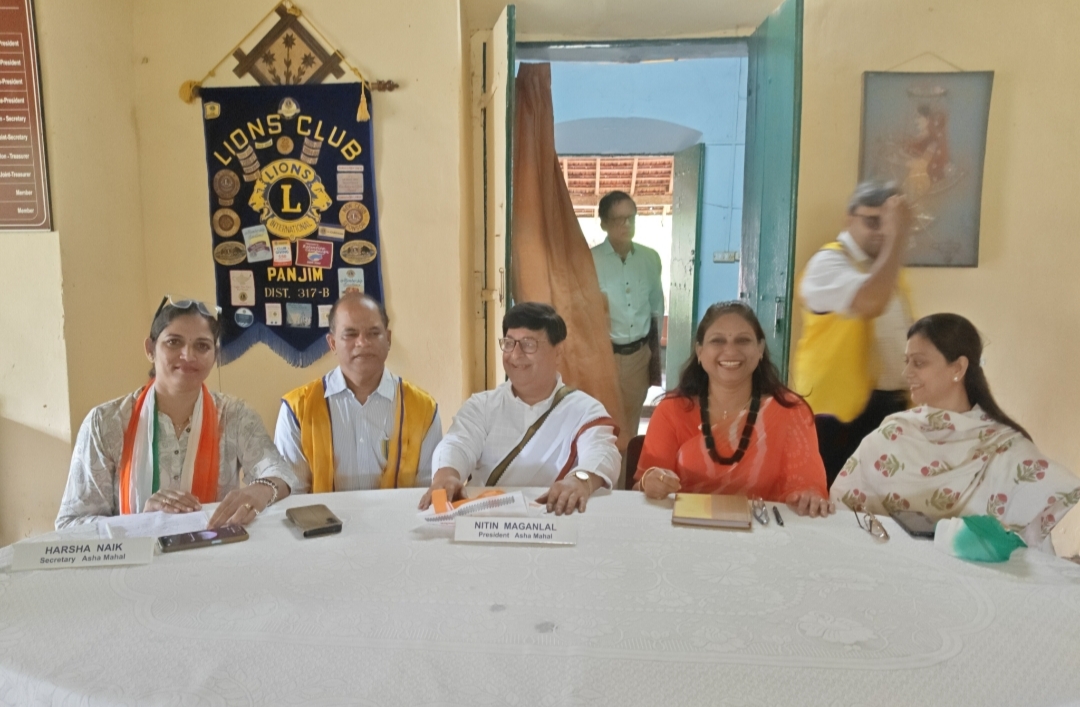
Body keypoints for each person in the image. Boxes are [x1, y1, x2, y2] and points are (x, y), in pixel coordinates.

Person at [831, 314, 1079, 551]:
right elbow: (843, 507)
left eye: (919, 363)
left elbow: (1026, 544)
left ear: (958, 368)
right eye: (906, 362)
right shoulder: (892, 433)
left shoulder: (1004, 449)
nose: (907, 374)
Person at [56, 297, 296, 530]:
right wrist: (141, 521)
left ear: (215, 356)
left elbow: (280, 474)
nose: (188, 356)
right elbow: (70, 524)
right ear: (150, 349)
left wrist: (262, 488)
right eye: (174, 342)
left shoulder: (236, 415)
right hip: (136, 565)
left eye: (202, 346)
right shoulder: (105, 422)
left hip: (215, 558)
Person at [418, 302, 619, 515]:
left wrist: (580, 481)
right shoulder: (482, 406)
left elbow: (602, 452)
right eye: (509, 343)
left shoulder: (584, 411)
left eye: (528, 344)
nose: (515, 355)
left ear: (558, 352)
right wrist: (447, 475)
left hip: (554, 519)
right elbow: (457, 443)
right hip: (486, 522)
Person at [635, 301, 833, 517]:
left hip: (765, 534)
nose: (730, 350)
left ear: (760, 349)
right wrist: (651, 482)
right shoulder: (671, 411)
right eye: (717, 340)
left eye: (743, 340)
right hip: (686, 531)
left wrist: (809, 496)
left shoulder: (790, 412)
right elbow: (642, 487)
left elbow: (807, 487)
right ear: (700, 351)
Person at [792, 181, 915, 484]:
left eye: (887, 224)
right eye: (873, 222)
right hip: (836, 417)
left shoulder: (884, 270)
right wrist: (897, 236)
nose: (881, 232)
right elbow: (869, 301)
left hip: (887, 408)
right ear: (849, 219)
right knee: (830, 505)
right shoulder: (828, 262)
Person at [275, 293, 441, 492]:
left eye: (373, 333)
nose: (362, 342)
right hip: (323, 523)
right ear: (333, 344)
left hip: (400, 523)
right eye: (350, 334)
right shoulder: (297, 410)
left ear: (388, 339)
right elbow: (293, 494)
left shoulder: (423, 409)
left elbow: (428, 491)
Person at [590, 191, 664, 453]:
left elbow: (656, 306)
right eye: (618, 219)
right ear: (604, 224)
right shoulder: (589, 260)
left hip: (637, 357)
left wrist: (653, 355)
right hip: (603, 358)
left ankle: (623, 489)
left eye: (630, 218)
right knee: (601, 427)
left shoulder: (649, 258)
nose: (626, 225)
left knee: (629, 431)